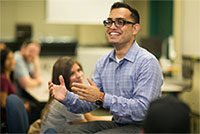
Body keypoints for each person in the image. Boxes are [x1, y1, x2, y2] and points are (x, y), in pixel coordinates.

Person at [49, 2, 163, 133]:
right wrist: (66, 97)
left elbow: (142, 110)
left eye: (120, 22)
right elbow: (89, 103)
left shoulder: (147, 62)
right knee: (71, 131)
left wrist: (102, 98)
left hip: (143, 127)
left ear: (135, 28)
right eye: (109, 22)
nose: (112, 27)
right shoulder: (103, 63)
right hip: (118, 123)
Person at [38, 56, 110, 134]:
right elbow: (84, 126)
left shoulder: (75, 96)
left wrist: (112, 121)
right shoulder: (65, 101)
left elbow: (89, 118)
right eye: (72, 73)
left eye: (79, 70)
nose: (79, 75)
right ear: (64, 78)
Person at [14, 39, 43, 124]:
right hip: (16, 96)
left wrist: (36, 61)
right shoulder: (17, 58)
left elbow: (36, 76)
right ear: (23, 48)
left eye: (36, 53)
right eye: (31, 51)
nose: (32, 54)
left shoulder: (28, 59)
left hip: (22, 94)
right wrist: (37, 82)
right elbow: (26, 84)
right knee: (40, 107)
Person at [0, 47, 16, 133]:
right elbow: (3, 103)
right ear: (2, 61)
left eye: (13, 58)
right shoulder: (3, 79)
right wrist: (22, 107)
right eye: (9, 59)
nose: (12, 61)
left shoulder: (8, 77)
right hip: (8, 118)